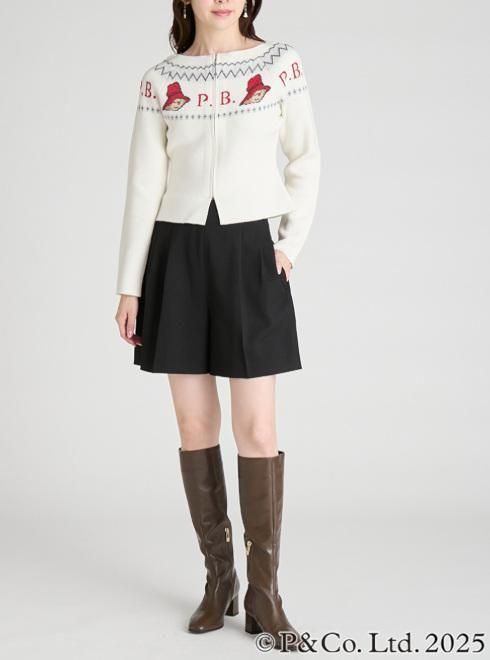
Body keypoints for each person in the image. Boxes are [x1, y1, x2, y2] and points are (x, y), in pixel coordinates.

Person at [114, 0, 321, 651]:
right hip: (176, 257)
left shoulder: (279, 64)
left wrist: (289, 244)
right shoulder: (160, 80)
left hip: (250, 254)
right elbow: (143, 185)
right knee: (194, 425)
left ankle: (265, 593)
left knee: (257, 428)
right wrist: (129, 284)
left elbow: (306, 157)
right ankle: (219, 579)